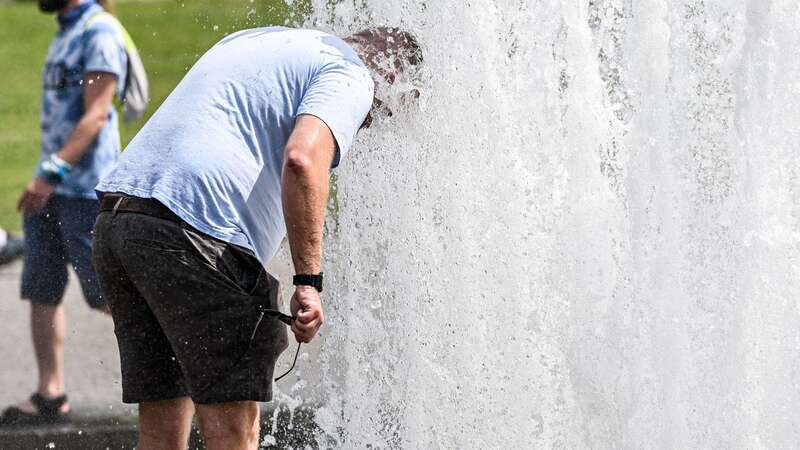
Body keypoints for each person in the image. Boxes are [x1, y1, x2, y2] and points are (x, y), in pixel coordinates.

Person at [92, 26, 422, 450]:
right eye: (388, 111)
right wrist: (309, 282)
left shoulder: (259, 41)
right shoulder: (351, 73)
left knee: (161, 424)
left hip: (121, 220)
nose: (376, 121)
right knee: (233, 431)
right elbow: (303, 160)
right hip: (195, 236)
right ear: (392, 75)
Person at [0, 0, 127, 426]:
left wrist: (50, 173)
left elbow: (96, 115)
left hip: (87, 192)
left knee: (110, 295)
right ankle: (50, 394)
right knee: (41, 288)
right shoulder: (66, 30)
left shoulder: (100, 32)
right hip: (50, 190)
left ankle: (179, 373)